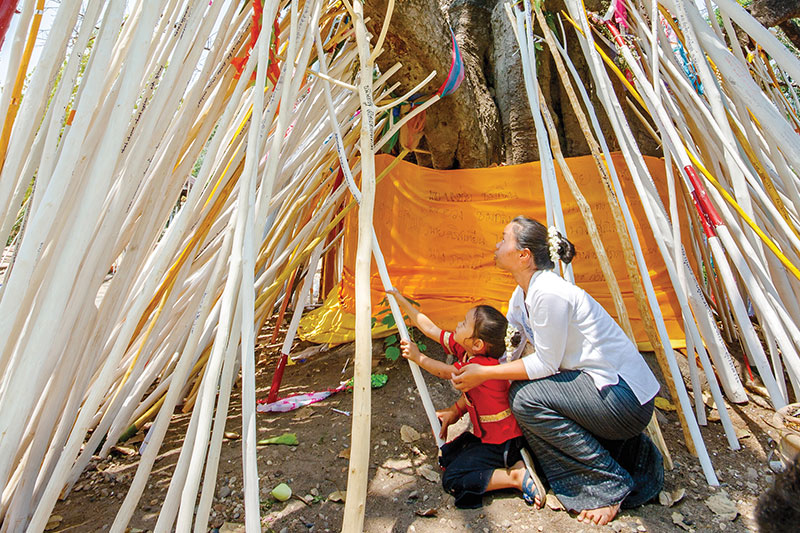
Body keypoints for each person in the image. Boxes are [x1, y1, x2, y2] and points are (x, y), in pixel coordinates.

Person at [451, 216, 663, 525]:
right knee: (518, 390)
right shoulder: (522, 296)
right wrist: (470, 384)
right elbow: (510, 352)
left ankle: (608, 486)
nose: (497, 244)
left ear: (523, 255)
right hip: (598, 393)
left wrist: (483, 375)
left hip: (624, 398)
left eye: (504, 238)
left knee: (527, 399)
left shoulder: (548, 293)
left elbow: (545, 365)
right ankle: (606, 467)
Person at [388, 289, 546, 509]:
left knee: (452, 479)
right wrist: (401, 301)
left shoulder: (479, 367)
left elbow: (446, 371)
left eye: (464, 323)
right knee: (448, 457)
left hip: (501, 443)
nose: (458, 324)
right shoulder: (465, 349)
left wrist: (418, 357)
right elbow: (431, 328)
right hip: (489, 438)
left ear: (478, 344)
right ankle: (514, 464)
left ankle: (515, 475)